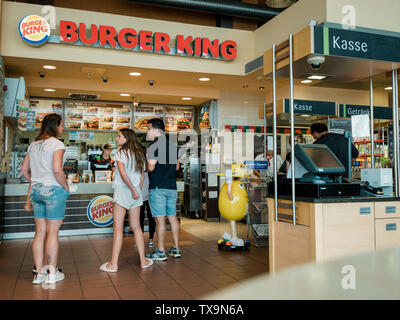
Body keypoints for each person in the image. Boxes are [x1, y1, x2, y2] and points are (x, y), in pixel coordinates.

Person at [20, 113, 69, 285]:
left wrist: (35, 182)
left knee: (40, 232)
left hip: (35, 191)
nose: (63, 128)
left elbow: (24, 170)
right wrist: (65, 186)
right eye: (62, 125)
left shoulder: (33, 145)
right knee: (53, 232)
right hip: (53, 190)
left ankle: (39, 273)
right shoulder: (57, 144)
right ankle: (52, 273)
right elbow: (57, 170)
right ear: (55, 126)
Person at [100, 129, 153, 272]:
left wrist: (133, 190)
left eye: (119, 136)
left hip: (124, 191)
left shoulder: (120, 154)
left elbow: (122, 173)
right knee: (137, 228)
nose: (117, 139)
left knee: (117, 228)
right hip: (136, 193)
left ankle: (113, 264)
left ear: (127, 138)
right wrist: (137, 191)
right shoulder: (139, 154)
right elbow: (142, 176)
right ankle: (143, 260)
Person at [145, 118, 181, 261]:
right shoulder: (172, 146)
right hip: (171, 186)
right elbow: (177, 167)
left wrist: (146, 167)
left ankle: (160, 252)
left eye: (148, 129)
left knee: (160, 220)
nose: (147, 132)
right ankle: (176, 249)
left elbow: (151, 166)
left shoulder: (153, 146)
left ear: (155, 129)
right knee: (172, 218)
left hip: (158, 187)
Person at [140, 169, 156, 248]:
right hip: (141, 193)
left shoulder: (152, 162)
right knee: (140, 218)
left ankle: (151, 239)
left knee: (151, 218)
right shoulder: (139, 160)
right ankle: (140, 239)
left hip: (150, 193)